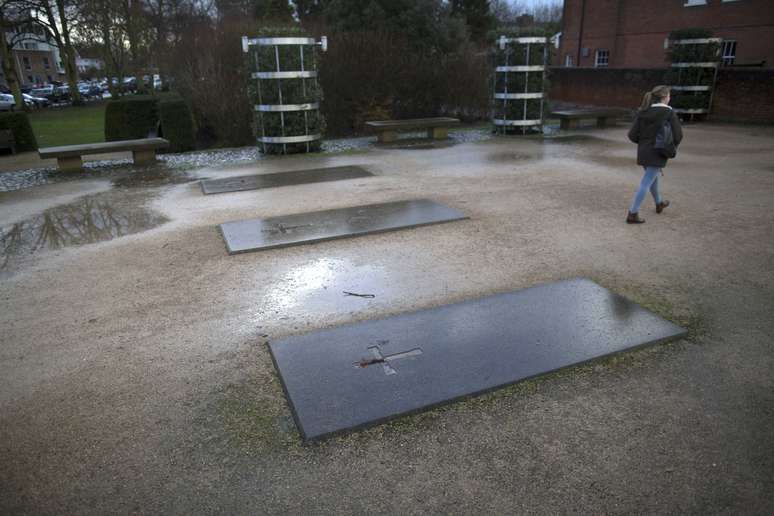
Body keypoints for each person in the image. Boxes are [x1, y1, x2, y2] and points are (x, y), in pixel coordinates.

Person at [626, 85, 683, 224]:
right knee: (647, 181)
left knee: (652, 177)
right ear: (664, 97)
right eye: (669, 95)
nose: (670, 97)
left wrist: (644, 143)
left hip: (644, 151)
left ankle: (659, 203)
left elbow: (632, 135)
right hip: (659, 152)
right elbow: (678, 135)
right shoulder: (669, 113)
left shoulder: (644, 111)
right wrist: (670, 147)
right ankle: (632, 213)